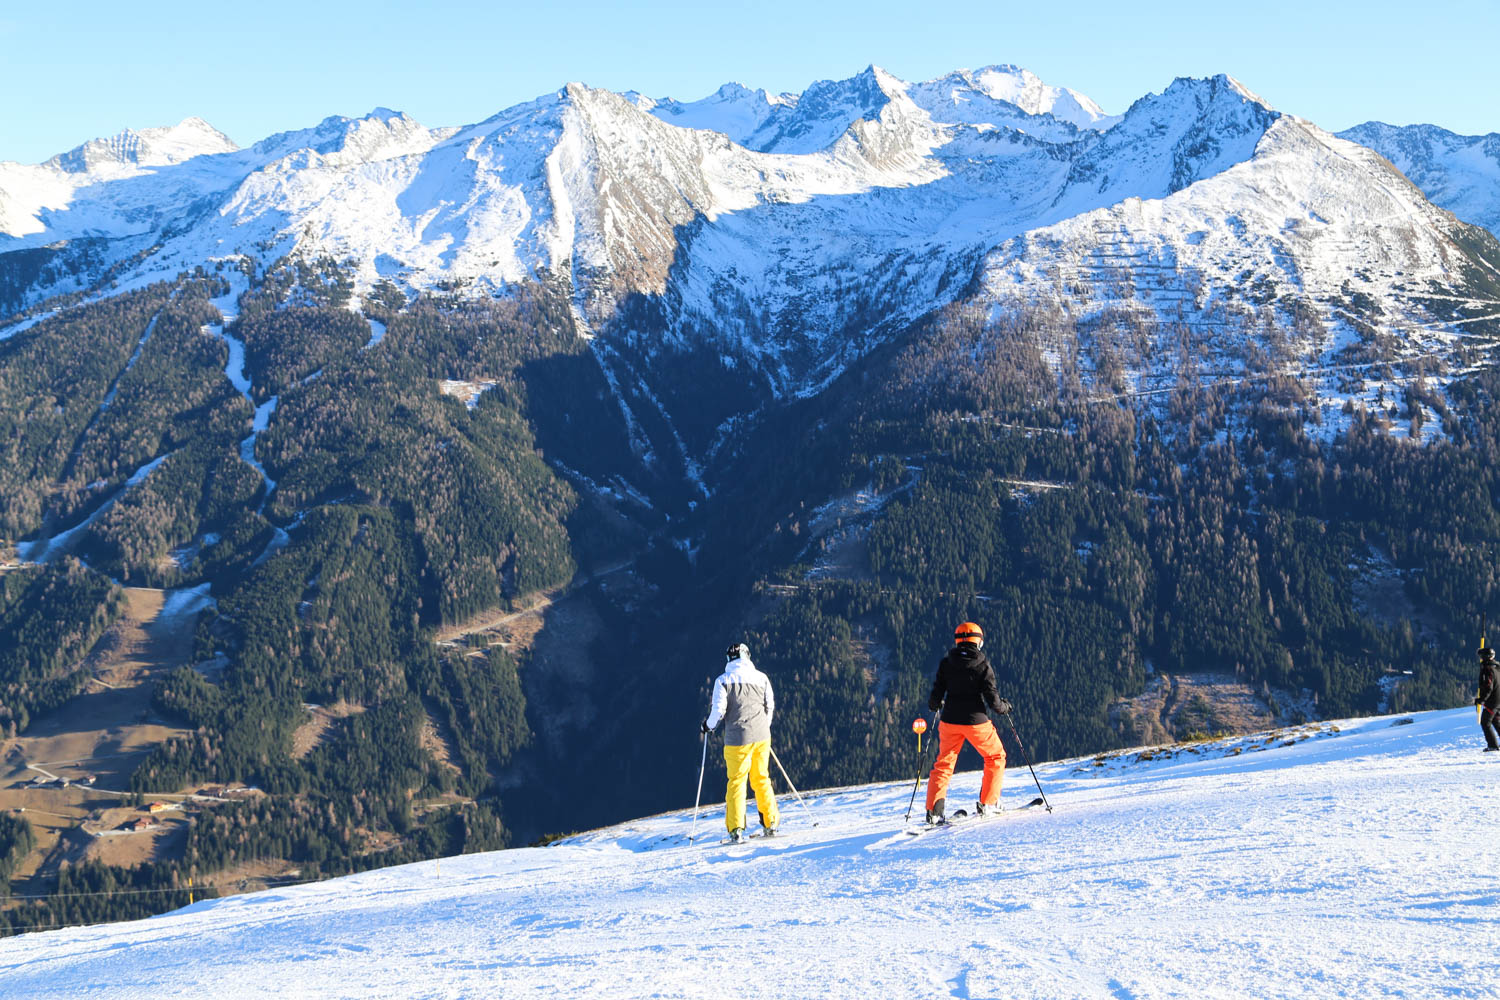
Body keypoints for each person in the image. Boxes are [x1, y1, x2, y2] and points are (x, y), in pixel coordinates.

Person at [924, 621, 1012, 825]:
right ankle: (988, 803)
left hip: (949, 721)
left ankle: (934, 812)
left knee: (944, 764)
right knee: (995, 756)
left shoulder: (946, 663)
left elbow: (935, 698)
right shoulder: (983, 665)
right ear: (978, 641)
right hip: (976, 722)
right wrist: (1005, 707)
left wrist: (935, 704)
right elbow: (993, 702)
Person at [702, 642, 779, 842]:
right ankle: (770, 824)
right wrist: (764, 727)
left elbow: (718, 712)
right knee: (761, 779)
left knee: (737, 782)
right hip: (762, 736)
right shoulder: (762, 678)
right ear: (747, 656)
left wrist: (707, 727)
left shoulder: (723, 681)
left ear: (729, 659)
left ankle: (736, 829)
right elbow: (769, 706)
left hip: (737, 740)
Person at [1476, 646, 1499, 752]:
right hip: (1498, 699)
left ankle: (1493, 746)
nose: (1480, 658)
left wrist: (1482, 699)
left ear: (1486, 657)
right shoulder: (1497, 667)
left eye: (1481, 656)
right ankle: (1493, 745)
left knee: (1485, 722)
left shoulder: (1488, 669)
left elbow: (1488, 686)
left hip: (1492, 701)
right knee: (1495, 721)